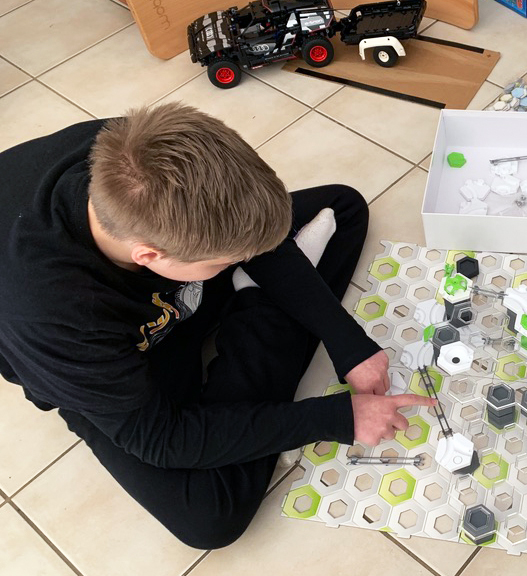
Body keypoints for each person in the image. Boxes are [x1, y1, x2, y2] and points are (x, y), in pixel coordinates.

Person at [0, 102, 431, 549]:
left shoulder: (133, 147)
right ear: (149, 255)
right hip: (116, 361)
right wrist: (335, 417)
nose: (241, 258)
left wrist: (348, 343)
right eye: (227, 261)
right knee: (210, 517)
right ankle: (257, 307)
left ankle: (251, 302)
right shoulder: (53, 317)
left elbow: (259, 243)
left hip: (172, 289)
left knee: (341, 207)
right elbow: (162, 439)